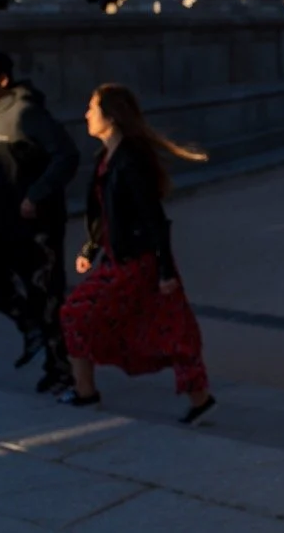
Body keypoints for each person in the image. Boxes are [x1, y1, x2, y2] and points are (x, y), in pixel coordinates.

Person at [58, 84, 216, 425]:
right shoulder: (106, 160)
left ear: (111, 116)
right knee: (170, 329)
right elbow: (105, 214)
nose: (86, 114)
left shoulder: (130, 161)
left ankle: (86, 392)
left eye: (92, 107)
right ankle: (200, 400)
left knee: (76, 313)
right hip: (119, 257)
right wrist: (91, 247)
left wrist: (164, 272)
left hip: (137, 262)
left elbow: (153, 218)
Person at [0, 50, 80, 394]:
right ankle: (29, 326)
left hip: (38, 221)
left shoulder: (27, 112)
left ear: (2, 80)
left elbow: (67, 155)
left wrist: (37, 194)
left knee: (46, 293)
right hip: (5, 217)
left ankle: (61, 371)